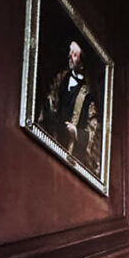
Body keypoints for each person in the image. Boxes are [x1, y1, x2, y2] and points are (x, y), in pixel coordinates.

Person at [39, 39, 100, 171]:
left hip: (71, 150)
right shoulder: (60, 78)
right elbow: (51, 100)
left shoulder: (88, 96)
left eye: (74, 54)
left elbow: (92, 129)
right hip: (53, 136)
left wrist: (76, 132)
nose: (70, 57)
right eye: (70, 52)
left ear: (82, 63)